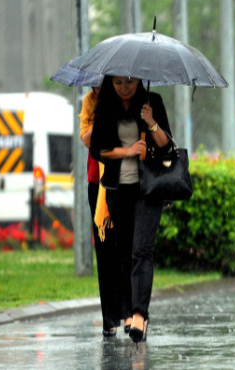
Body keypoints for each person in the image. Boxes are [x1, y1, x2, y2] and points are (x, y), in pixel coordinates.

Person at [90, 75, 172, 343]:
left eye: (129, 82)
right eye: (118, 83)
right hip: (118, 191)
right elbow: (97, 150)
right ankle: (128, 310)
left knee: (142, 251)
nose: (124, 87)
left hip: (148, 190)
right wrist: (126, 152)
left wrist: (151, 122)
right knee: (124, 252)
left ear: (139, 80)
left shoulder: (152, 102)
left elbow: (167, 145)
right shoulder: (106, 108)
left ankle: (139, 315)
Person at [79, 87, 133, 337]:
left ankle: (129, 313)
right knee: (104, 248)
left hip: (126, 179)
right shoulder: (90, 101)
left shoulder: (128, 98)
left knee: (126, 248)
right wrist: (104, 120)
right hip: (98, 182)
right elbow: (87, 139)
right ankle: (109, 318)